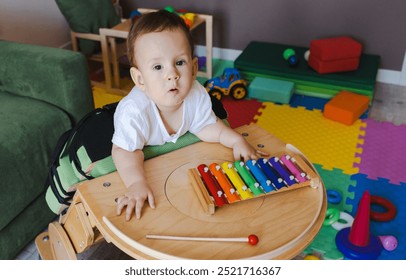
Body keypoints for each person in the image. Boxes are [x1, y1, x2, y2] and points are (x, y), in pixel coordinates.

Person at [112, 10, 266, 221]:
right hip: (125, 133)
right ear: (139, 79)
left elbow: (207, 127)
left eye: (180, 63)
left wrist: (236, 140)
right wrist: (136, 183)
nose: (172, 75)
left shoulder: (195, 94)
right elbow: (125, 151)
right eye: (158, 67)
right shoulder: (133, 113)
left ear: (193, 68)